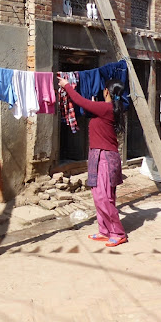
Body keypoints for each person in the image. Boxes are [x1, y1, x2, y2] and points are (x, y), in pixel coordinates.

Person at [57, 76, 128, 247]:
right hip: (98, 155)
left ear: (106, 91)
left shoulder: (106, 108)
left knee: (103, 197)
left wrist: (67, 86)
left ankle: (118, 232)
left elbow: (79, 101)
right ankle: (104, 230)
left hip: (105, 157)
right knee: (100, 196)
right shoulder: (108, 109)